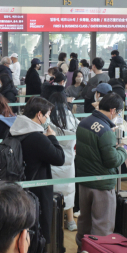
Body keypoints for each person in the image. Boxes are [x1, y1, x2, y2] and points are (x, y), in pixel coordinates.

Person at [75, 93, 127, 250]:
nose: (117, 116)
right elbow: (111, 160)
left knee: (85, 219)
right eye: (118, 113)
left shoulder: (84, 122)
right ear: (112, 111)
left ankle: (81, 249)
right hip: (102, 183)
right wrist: (123, 151)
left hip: (84, 180)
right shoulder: (105, 130)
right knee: (102, 223)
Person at [10, 97, 65, 244]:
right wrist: (52, 138)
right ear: (39, 115)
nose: (48, 118)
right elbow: (59, 158)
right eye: (47, 115)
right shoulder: (37, 137)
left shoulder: (14, 131)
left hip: (19, 186)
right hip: (37, 190)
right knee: (40, 230)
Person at [47, 92, 78, 231]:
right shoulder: (71, 118)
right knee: (69, 190)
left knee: (53, 192)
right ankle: (70, 221)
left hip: (53, 159)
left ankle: (54, 221)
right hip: (69, 159)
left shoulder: (49, 119)